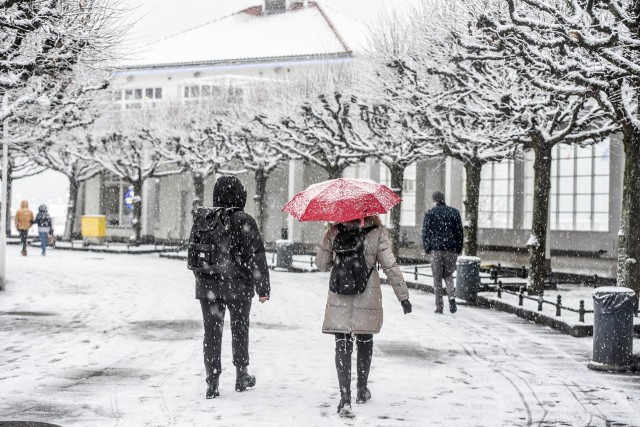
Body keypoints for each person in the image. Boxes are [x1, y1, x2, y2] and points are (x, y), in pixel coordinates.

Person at [315, 215, 411, 418]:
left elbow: (321, 264)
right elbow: (390, 266)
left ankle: (345, 397)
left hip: (340, 295)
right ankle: (361, 390)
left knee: (342, 344)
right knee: (365, 340)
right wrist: (403, 297)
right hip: (367, 295)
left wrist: (335, 254)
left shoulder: (334, 231)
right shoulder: (377, 233)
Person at [189, 175, 270, 400]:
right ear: (240, 195)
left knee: (211, 333)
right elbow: (256, 256)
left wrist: (204, 276)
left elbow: (194, 252)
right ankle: (241, 375)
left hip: (208, 286)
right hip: (239, 287)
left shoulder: (204, 218)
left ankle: (212, 381)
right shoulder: (244, 219)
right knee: (240, 329)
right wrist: (263, 288)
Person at [421, 191, 463, 314]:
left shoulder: (430, 213)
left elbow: (425, 233)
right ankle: (451, 296)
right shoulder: (454, 212)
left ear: (434, 200)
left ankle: (439, 306)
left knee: (437, 278)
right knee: (448, 275)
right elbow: (460, 232)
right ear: (443, 199)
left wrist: (428, 247)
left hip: (436, 250)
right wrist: (458, 248)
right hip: (451, 249)